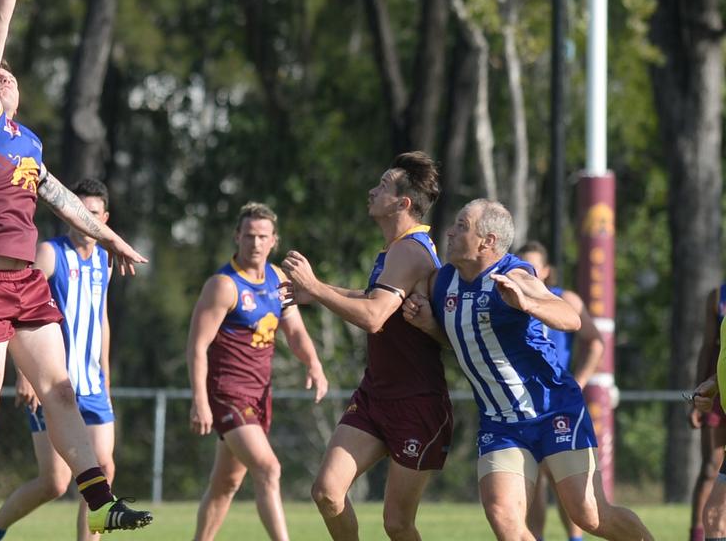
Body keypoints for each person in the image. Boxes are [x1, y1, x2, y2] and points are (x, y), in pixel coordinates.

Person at [0, 0, 151, 541]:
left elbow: (58, 196)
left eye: (9, 76)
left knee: (60, 389)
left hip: (26, 281)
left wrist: (109, 237)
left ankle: (105, 502)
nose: (2, 75)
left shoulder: (26, 142)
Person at [402, 199, 652, 541]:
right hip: (501, 422)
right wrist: (429, 325)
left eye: (461, 225)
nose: (450, 231)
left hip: (553, 410)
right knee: (506, 521)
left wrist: (527, 303)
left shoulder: (515, 274)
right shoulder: (444, 282)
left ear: (487, 241)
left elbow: (570, 318)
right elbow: (460, 339)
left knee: (590, 515)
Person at [280, 152, 450, 541]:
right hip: (377, 394)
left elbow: (374, 316)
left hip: (416, 402)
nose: (372, 191)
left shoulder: (410, 250)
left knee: (397, 524)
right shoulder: (394, 251)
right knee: (327, 492)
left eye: (383, 186)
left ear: (402, 203)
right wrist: (315, 293)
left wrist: (318, 286)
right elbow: (376, 297)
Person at [0, 178, 119, 541]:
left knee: (103, 470)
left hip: (92, 386)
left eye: (92, 214)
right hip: (52, 383)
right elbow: (16, 308)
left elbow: (100, 317)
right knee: (55, 481)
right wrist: (24, 373)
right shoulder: (51, 253)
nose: (84, 221)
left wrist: (105, 375)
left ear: (104, 217)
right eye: (79, 213)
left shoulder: (104, 259)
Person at [188, 202, 328, 541]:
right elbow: (197, 345)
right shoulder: (224, 285)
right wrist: (200, 401)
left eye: (262, 236)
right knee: (268, 468)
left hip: (259, 395)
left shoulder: (278, 278)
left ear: (273, 240)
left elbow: (294, 330)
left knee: (226, 483)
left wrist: (314, 364)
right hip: (227, 393)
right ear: (237, 236)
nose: (255, 243)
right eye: (249, 235)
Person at [517, 240, 604, 541]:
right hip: (521, 402)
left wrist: (579, 380)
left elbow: (594, 341)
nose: (527, 272)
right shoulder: (508, 301)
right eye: (521, 264)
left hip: (556, 402)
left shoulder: (564, 300)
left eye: (532, 266)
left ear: (545, 271)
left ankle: (574, 538)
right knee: (533, 480)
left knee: (562, 478)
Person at [690, 282, 726, 541]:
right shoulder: (718, 296)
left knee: (716, 516)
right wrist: (713, 383)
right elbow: (714, 349)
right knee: (715, 517)